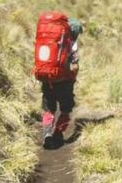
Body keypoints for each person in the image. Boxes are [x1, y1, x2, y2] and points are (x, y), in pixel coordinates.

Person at [41, 17, 83, 149]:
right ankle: (58, 133)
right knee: (66, 109)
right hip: (64, 82)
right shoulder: (72, 42)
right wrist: (72, 77)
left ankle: (47, 134)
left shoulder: (50, 40)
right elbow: (74, 66)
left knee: (49, 109)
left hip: (47, 79)